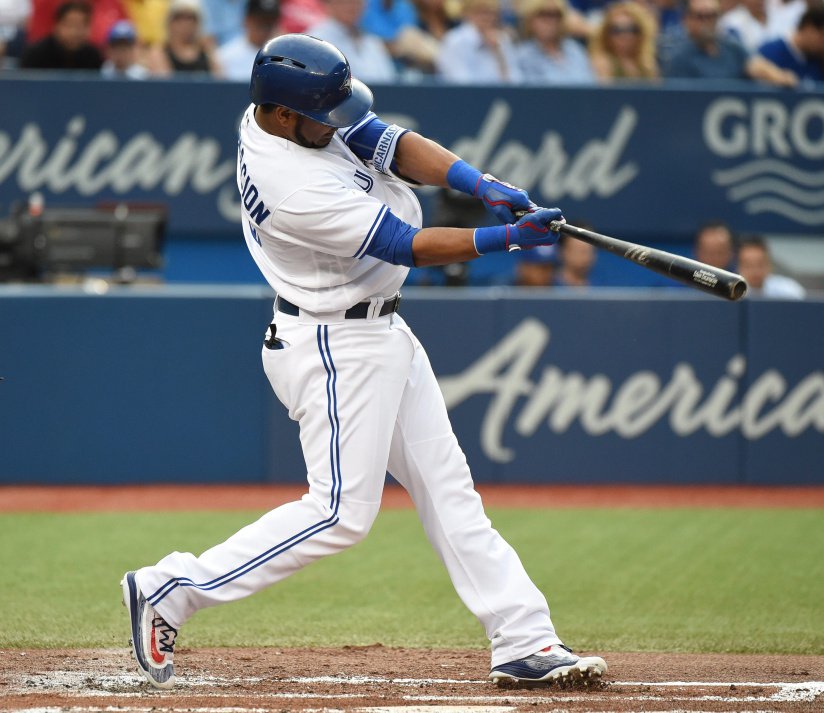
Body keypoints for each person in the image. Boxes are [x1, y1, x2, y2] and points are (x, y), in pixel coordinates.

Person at [121, 33, 607, 692]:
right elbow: (406, 244)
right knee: (339, 513)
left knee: (447, 487)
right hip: (332, 342)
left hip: (378, 331)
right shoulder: (290, 182)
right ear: (286, 116)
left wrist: (477, 181)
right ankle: (171, 587)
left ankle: (522, 637)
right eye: (327, 116)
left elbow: (386, 140)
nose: (341, 124)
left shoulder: (289, 116)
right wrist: (506, 238)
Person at [662, 0, 797, 85]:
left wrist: (781, 77)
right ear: (687, 19)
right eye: (701, 17)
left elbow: (757, 66)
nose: (707, 22)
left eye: (712, 16)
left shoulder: (731, 46)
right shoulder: (678, 55)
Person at [307, 0, 399, 81]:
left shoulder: (372, 41)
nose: (352, 6)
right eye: (345, 1)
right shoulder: (315, 40)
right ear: (329, 3)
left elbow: (389, 81)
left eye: (357, 2)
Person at [435, 0, 522, 82]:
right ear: (467, 13)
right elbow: (460, 82)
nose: (487, 18)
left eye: (491, 13)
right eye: (480, 12)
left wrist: (498, 54)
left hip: (501, 97)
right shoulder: (453, 41)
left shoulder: (502, 39)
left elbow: (516, 81)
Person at [516, 0, 595, 83]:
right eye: (544, 14)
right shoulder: (522, 56)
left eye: (556, 14)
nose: (551, 21)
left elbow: (591, 86)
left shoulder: (576, 50)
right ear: (530, 18)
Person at [588, 0, 660, 81]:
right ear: (606, 34)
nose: (625, 36)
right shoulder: (602, 64)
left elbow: (657, 91)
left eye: (632, 29)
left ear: (641, 33)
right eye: (617, 30)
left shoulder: (648, 65)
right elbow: (605, 92)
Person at [20, 0, 104, 69]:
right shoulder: (36, 55)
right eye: (70, 25)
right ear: (56, 26)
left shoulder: (94, 57)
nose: (75, 32)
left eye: (82, 26)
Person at [147, 0, 224, 75]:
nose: (185, 24)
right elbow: (164, 83)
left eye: (190, 18)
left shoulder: (207, 52)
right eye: (180, 18)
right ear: (170, 22)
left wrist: (211, 52)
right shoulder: (160, 52)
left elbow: (220, 82)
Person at [217, 0, 282, 80]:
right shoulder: (224, 56)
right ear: (247, 20)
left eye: (270, 22)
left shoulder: (282, 57)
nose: (266, 27)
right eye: (260, 22)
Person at [736, 235, 806, 298]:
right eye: (749, 265)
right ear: (739, 267)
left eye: (760, 264)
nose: (755, 271)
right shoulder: (733, 292)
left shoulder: (789, 290)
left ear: (769, 264)